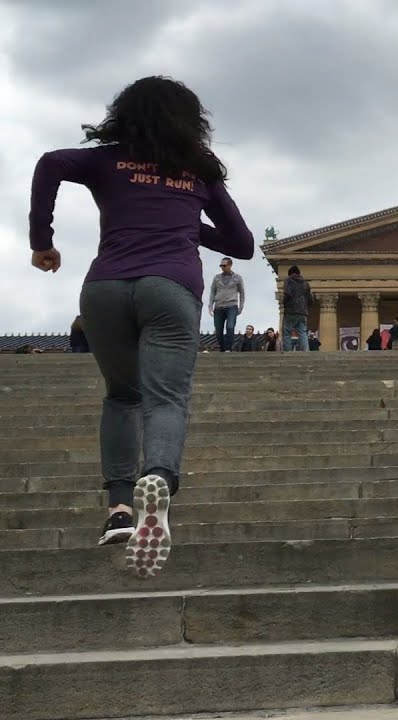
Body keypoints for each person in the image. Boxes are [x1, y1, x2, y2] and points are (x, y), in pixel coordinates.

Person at [27, 75, 254, 577]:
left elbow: (51, 163)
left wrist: (41, 239)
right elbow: (242, 244)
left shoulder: (107, 159)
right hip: (170, 288)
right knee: (165, 398)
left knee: (121, 396)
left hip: (104, 288)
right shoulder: (198, 172)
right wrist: (184, 222)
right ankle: (158, 479)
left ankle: (119, 510)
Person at [209, 257, 245, 352]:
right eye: (221, 265)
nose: (222, 267)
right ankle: (222, 348)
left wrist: (241, 306)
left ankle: (228, 348)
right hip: (218, 306)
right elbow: (213, 291)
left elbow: (242, 293)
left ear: (230, 265)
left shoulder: (237, 278)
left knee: (230, 326)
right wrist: (210, 305)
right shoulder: (217, 278)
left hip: (231, 305)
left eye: (224, 265)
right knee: (218, 330)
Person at [280, 265, 312, 351]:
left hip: (291, 310)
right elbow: (310, 299)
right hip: (303, 312)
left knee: (287, 332)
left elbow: (287, 293)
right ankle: (305, 351)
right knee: (302, 332)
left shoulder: (289, 280)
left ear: (290, 273)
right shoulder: (306, 283)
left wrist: (283, 303)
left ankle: (288, 352)